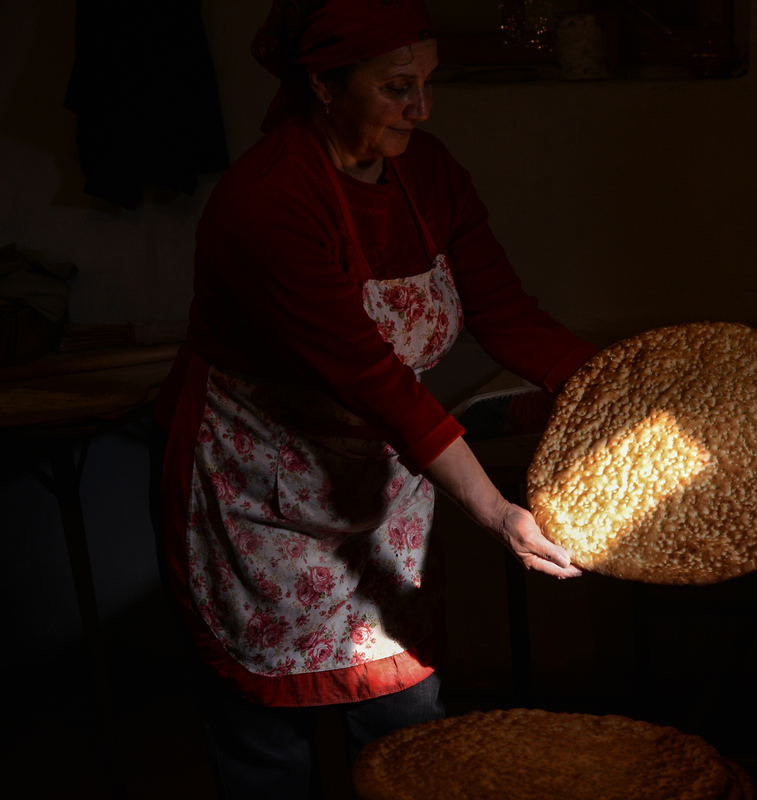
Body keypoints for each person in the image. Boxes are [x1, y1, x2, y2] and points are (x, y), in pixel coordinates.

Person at [150, 0, 595, 795]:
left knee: (405, 736)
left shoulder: (427, 174)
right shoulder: (268, 205)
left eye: (427, 81)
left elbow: (504, 311)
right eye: (397, 87)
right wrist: (497, 512)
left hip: (383, 487)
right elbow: (375, 380)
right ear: (323, 85)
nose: (421, 108)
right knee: (269, 754)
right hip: (260, 502)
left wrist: (617, 386)